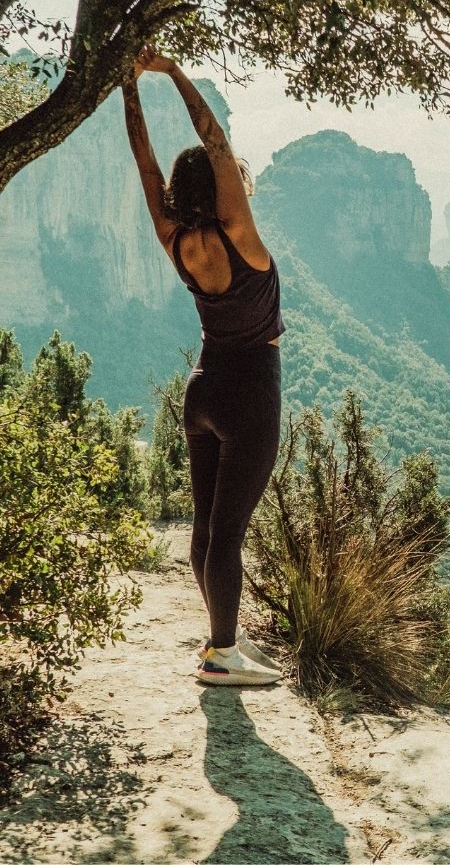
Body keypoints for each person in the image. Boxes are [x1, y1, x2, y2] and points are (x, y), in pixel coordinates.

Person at [123, 47, 284, 686]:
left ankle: (223, 638)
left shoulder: (174, 240)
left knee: (206, 523)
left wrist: (128, 93)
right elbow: (214, 137)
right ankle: (221, 653)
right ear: (221, 187)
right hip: (251, 391)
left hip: (202, 388)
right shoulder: (239, 232)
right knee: (230, 531)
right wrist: (171, 73)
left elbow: (145, 163)